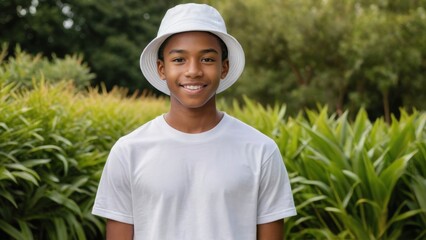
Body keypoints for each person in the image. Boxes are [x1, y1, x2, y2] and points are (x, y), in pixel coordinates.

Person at [92, 3, 296, 240]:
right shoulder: (128, 151)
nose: (193, 71)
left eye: (207, 59)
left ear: (224, 68)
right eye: (179, 59)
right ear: (161, 69)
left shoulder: (261, 151)